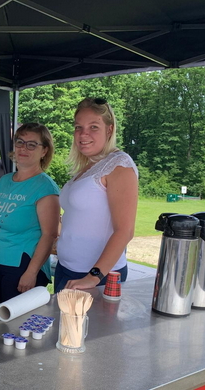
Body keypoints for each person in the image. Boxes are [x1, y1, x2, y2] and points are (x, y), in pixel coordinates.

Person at [54, 97, 139, 292]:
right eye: (78, 127)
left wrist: (93, 277)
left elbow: (125, 231)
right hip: (66, 269)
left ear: (109, 130)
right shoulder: (88, 166)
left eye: (93, 127)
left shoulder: (119, 165)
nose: (83, 134)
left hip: (96, 276)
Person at [0, 123, 60, 304]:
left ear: (44, 151)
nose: (23, 148)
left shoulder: (45, 187)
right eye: (20, 142)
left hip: (22, 267)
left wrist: (31, 272)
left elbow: (49, 234)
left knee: (14, 327)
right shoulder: (4, 181)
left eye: (32, 144)